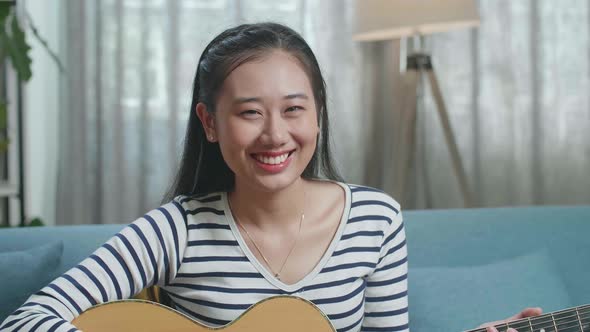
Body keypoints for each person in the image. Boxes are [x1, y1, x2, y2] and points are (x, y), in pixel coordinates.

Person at [0, 22, 540, 332]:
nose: (275, 135)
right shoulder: (177, 229)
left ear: (320, 116)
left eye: (294, 110)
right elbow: (25, 322)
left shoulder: (376, 219)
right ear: (210, 123)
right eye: (250, 112)